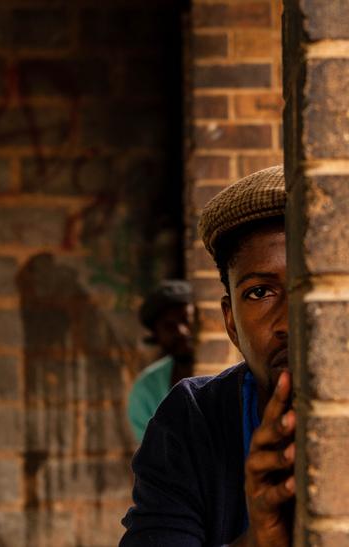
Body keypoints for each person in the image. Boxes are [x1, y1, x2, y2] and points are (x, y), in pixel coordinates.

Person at [121, 165, 294, 546]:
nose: (287, 321)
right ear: (231, 322)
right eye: (260, 293)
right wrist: (259, 539)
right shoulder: (191, 420)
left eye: (307, 283)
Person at [128, 280, 196, 442]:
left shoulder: (231, 372)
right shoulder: (146, 389)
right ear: (156, 335)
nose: (182, 331)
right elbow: (155, 456)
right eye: (169, 326)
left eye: (186, 319)